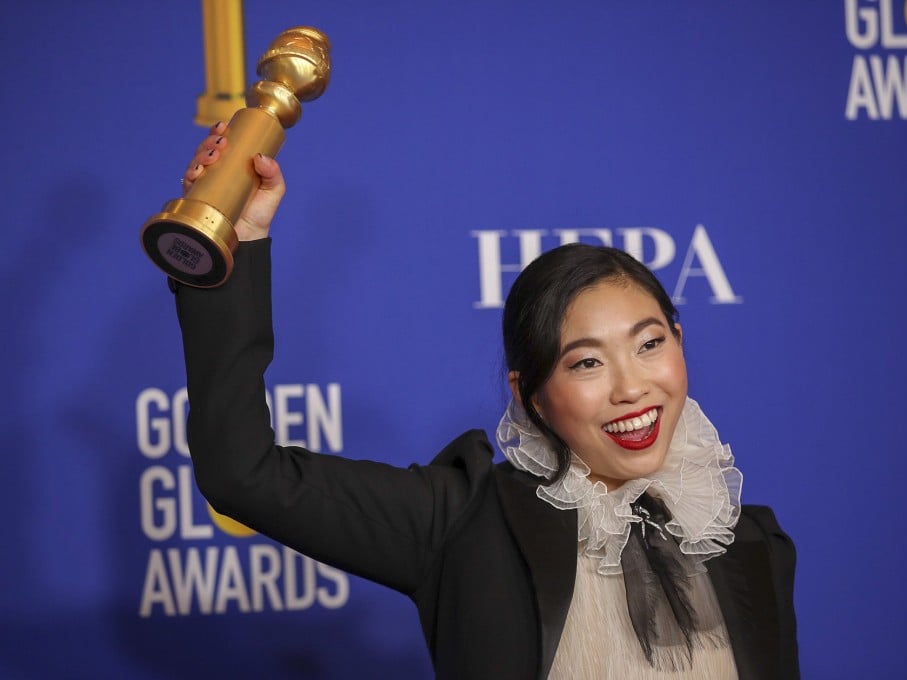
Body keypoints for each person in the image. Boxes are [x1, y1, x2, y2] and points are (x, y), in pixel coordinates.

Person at [171, 123, 799, 679]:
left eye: (649, 344)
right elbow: (241, 473)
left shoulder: (751, 544)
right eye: (585, 362)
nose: (631, 386)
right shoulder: (463, 522)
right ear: (529, 396)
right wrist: (238, 240)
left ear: (680, 343)